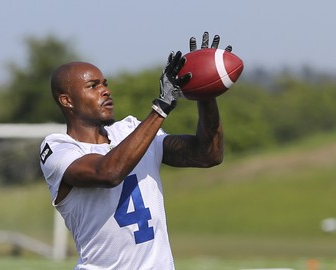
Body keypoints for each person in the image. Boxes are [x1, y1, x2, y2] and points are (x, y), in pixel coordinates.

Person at [40, 32, 231, 270]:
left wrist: (205, 94)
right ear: (67, 101)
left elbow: (207, 155)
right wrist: (160, 107)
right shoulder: (58, 147)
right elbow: (108, 172)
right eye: (93, 86)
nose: (105, 91)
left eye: (105, 84)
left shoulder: (131, 130)